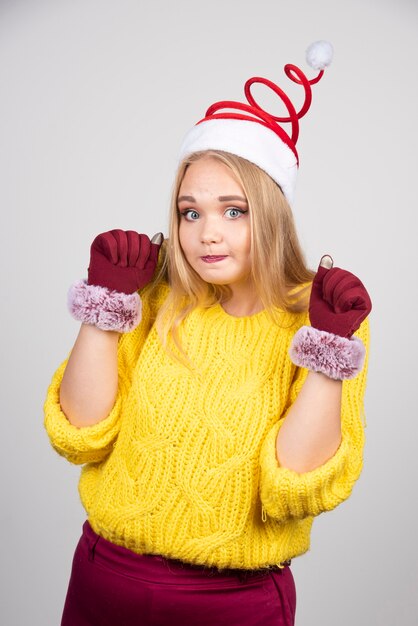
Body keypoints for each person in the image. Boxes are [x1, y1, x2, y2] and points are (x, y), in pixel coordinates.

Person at [44, 41, 372, 626]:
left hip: (230, 603)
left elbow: (292, 490)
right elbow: (80, 437)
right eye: (190, 211)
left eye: (233, 210)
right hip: (104, 577)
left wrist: (327, 355)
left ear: (271, 213)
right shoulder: (152, 294)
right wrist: (106, 307)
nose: (206, 234)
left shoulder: (320, 318)